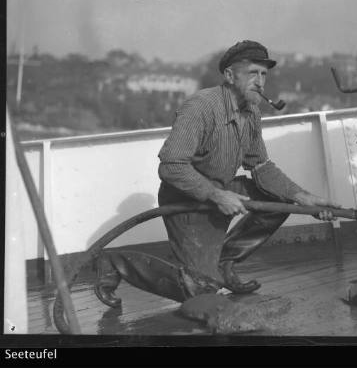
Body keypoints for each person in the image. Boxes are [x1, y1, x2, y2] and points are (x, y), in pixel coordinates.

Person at [94, 40, 337, 307]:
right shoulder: (200, 107)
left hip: (221, 190)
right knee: (200, 290)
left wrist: (304, 197)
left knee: (278, 199)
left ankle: (224, 264)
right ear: (230, 76)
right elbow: (171, 166)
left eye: (264, 74)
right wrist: (216, 195)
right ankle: (115, 264)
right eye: (252, 73)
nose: (260, 81)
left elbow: (262, 167)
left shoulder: (251, 112)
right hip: (186, 200)